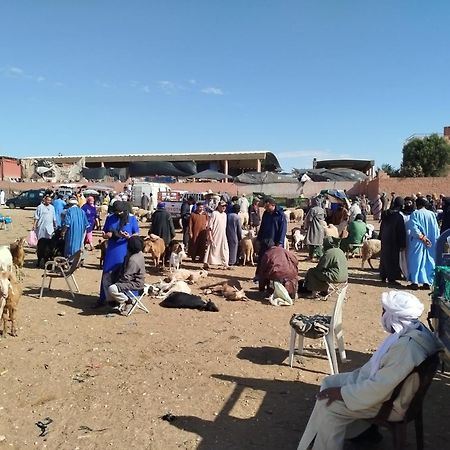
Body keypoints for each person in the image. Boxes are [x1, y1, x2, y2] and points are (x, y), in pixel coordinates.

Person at [297, 291, 440, 450]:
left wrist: (341, 393)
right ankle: (358, 432)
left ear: (393, 316)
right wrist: (339, 389)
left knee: (330, 406)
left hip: (391, 403)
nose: (382, 315)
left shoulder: (406, 348)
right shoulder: (414, 329)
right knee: (329, 382)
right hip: (392, 393)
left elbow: (378, 389)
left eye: (384, 311)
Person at [98, 201, 140, 306]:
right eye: (117, 212)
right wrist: (106, 235)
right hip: (112, 250)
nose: (119, 214)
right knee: (108, 273)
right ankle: (105, 298)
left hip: (125, 250)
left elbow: (136, 233)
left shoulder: (131, 218)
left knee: (125, 273)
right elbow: (104, 232)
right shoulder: (110, 217)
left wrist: (128, 237)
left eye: (121, 212)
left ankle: (126, 298)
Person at [406, 197, 440, 290]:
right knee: (428, 261)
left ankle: (415, 282)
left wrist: (422, 237)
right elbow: (436, 229)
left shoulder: (415, 213)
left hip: (418, 241)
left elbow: (413, 228)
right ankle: (427, 282)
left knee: (415, 261)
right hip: (431, 242)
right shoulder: (432, 214)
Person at [106, 235, 146, 315]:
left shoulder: (133, 260)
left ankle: (128, 302)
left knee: (112, 288)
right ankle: (114, 303)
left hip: (135, 283)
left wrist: (117, 282)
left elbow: (127, 277)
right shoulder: (139, 253)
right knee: (108, 278)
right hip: (132, 279)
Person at [256, 198, 288, 276]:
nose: (266, 208)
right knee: (262, 259)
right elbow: (262, 227)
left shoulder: (281, 215)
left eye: (267, 206)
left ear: (273, 205)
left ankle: (272, 277)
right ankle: (259, 276)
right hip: (265, 240)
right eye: (265, 207)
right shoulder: (266, 214)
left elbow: (283, 230)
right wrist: (258, 239)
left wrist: (280, 243)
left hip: (274, 241)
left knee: (273, 261)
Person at [379, 197, 407, 285]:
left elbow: (381, 227)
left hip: (385, 239)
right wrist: (403, 243)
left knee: (384, 258)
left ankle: (383, 276)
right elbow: (401, 231)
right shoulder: (398, 217)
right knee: (393, 260)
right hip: (393, 241)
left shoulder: (386, 214)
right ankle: (391, 278)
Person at [204, 200, 229, 269]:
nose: (224, 207)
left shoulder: (225, 215)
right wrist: (210, 236)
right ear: (218, 206)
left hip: (223, 235)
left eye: (225, 206)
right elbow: (210, 226)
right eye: (222, 206)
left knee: (224, 248)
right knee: (211, 248)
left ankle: (225, 263)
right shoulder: (214, 213)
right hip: (215, 234)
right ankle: (206, 263)